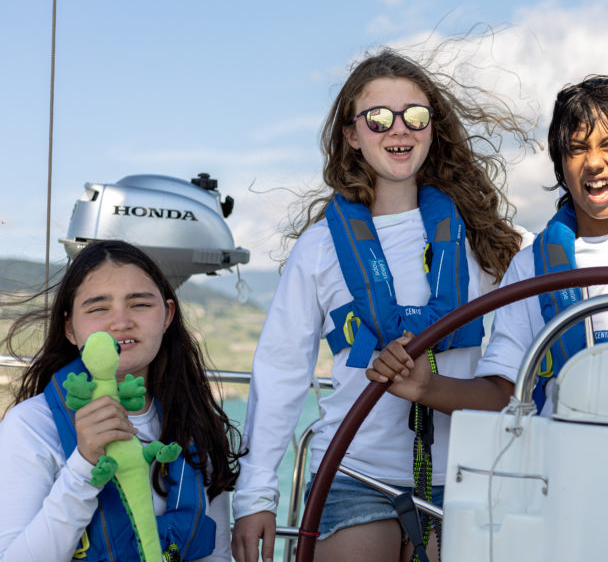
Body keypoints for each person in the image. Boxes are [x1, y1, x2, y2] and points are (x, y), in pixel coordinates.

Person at [230, 49, 531, 562]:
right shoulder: (319, 248)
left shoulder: (493, 244)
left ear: (433, 128)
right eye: (378, 119)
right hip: (352, 472)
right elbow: (282, 370)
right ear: (352, 134)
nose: (399, 129)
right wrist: (256, 495)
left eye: (415, 115)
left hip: (464, 475)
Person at [367, 75, 608, 427]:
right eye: (576, 149)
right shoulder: (529, 266)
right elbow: (505, 396)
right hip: (564, 467)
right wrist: (426, 387)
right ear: (561, 165)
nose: (593, 162)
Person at [0, 239, 240, 561]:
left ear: (167, 315)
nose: (121, 322)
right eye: (98, 308)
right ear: (70, 328)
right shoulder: (31, 425)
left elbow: (217, 554)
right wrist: (84, 466)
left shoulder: (196, 422)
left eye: (139, 304)